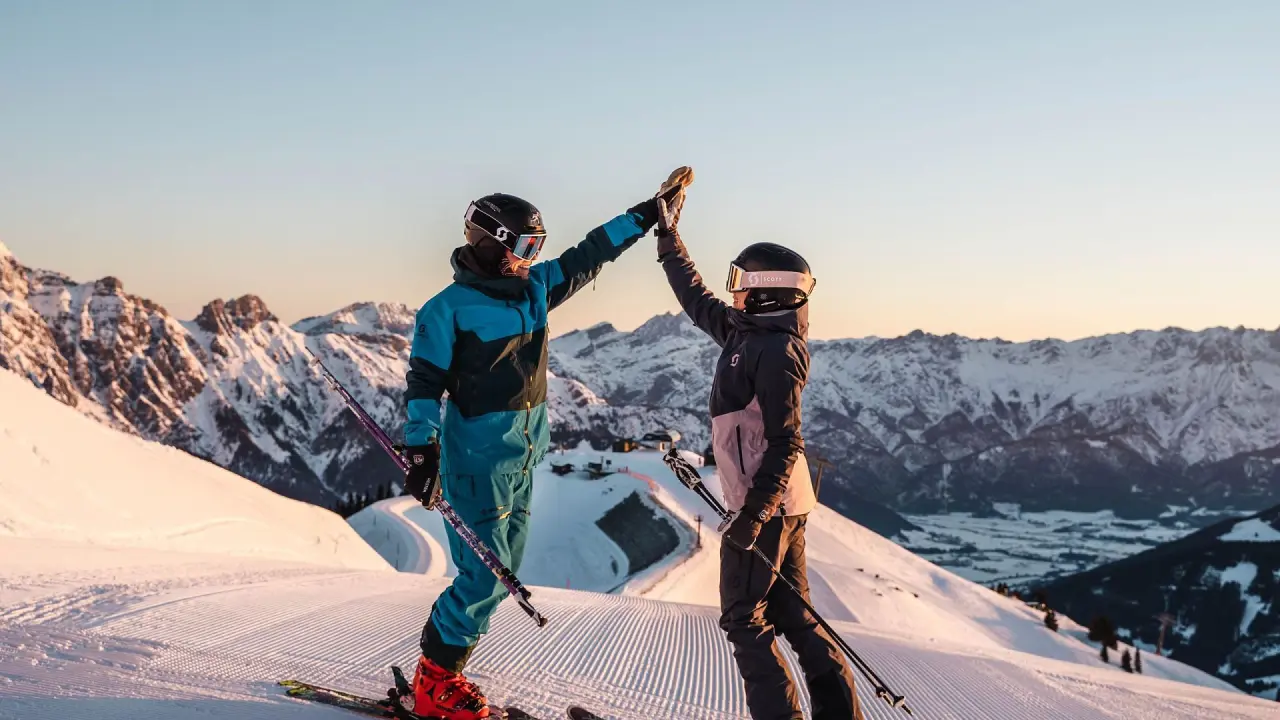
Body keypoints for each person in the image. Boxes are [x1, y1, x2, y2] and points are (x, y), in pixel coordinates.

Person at [399, 171, 691, 720]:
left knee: (502, 571)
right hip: (475, 465)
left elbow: (591, 253)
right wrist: (422, 449)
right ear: (490, 242)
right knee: (484, 573)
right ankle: (435, 681)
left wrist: (647, 213)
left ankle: (442, 673)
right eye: (526, 246)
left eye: (538, 246)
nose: (534, 257)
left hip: (522, 459)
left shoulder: (534, 289)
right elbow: (423, 384)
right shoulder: (446, 310)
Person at [655, 202, 863, 719]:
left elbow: (785, 440)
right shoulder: (746, 334)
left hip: (766, 505)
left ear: (768, 290)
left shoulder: (775, 352)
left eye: (741, 280)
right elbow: (696, 300)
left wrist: (753, 515)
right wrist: (668, 239)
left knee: (744, 619)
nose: (733, 289)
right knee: (793, 614)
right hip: (780, 504)